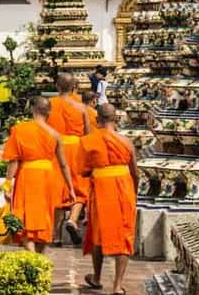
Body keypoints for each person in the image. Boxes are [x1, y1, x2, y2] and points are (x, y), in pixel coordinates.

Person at [1, 97, 76, 254]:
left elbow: (14, 160)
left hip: (28, 176)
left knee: (26, 217)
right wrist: (71, 188)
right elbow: (63, 165)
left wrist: (8, 183)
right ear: (49, 112)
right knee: (44, 217)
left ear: (33, 109)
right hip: (48, 178)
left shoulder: (20, 129)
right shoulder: (55, 134)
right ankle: (38, 256)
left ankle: (32, 257)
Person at [79, 103, 137, 295]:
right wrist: (133, 193)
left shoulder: (89, 141)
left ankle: (96, 278)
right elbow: (135, 172)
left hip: (101, 189)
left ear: (97, 120)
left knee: (98, 234)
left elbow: (84, 171)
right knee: (124, 234)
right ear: (116, 119)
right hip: (124, 189)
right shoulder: (126, 141)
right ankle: (117, 286)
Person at [47, 72, 91, 245]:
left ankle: (56, 235)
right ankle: (72, 219)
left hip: (56, 148)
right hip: (76, 147)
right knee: (80, 188)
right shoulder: (81, 107)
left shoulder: (50, 105)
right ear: (74, 87)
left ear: (57, 86)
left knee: (59, 189)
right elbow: (87, 133)